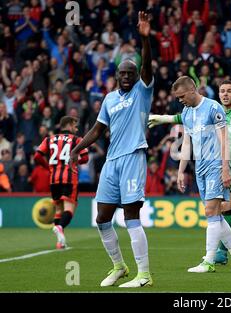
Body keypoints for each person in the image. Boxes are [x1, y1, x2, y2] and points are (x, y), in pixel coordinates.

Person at [70, 12, 154, 288]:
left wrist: (145, 39)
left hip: (133, 157)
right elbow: (97, 130)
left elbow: (148, 68)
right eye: (124, 73)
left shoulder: (142, 91)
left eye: (132, 72)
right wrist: (76, 149)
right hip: (112, 162)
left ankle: (144, 274)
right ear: (116, 75)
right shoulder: (109, 99)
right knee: (102, 217)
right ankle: (119, 266)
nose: (128, 76)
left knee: (131, 215)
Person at [148, 80, 231, 266]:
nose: (225, 94)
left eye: (229, 91)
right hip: (228, 164)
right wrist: (162, 118)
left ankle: (221, 253)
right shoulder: (214, 110)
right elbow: (186, 119)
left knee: (223, 206)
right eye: (222, 91)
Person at [172, 76, 231, 273]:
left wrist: (225, 168)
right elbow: (186, 143)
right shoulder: (186, 113)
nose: (180, 100)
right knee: (216, 215)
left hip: (215, 164)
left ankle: (209, 261)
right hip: (200, 168)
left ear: (191, 90)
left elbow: (225, 141)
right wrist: (180, 171)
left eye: (181, 96)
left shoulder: (213, 108)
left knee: (210, 212)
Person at [34, 116, 89, 249]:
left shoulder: (49, 139)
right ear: (69, 125)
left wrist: (48, 167)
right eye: (75, 126)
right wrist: (74, 162)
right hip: (69, 178)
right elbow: (85, 157)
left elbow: (37, 156)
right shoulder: (77, 140)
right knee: (69, 210)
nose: (76, 129)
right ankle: (59, 227)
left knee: (59, 209)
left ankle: (60, 242)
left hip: (54, 180)